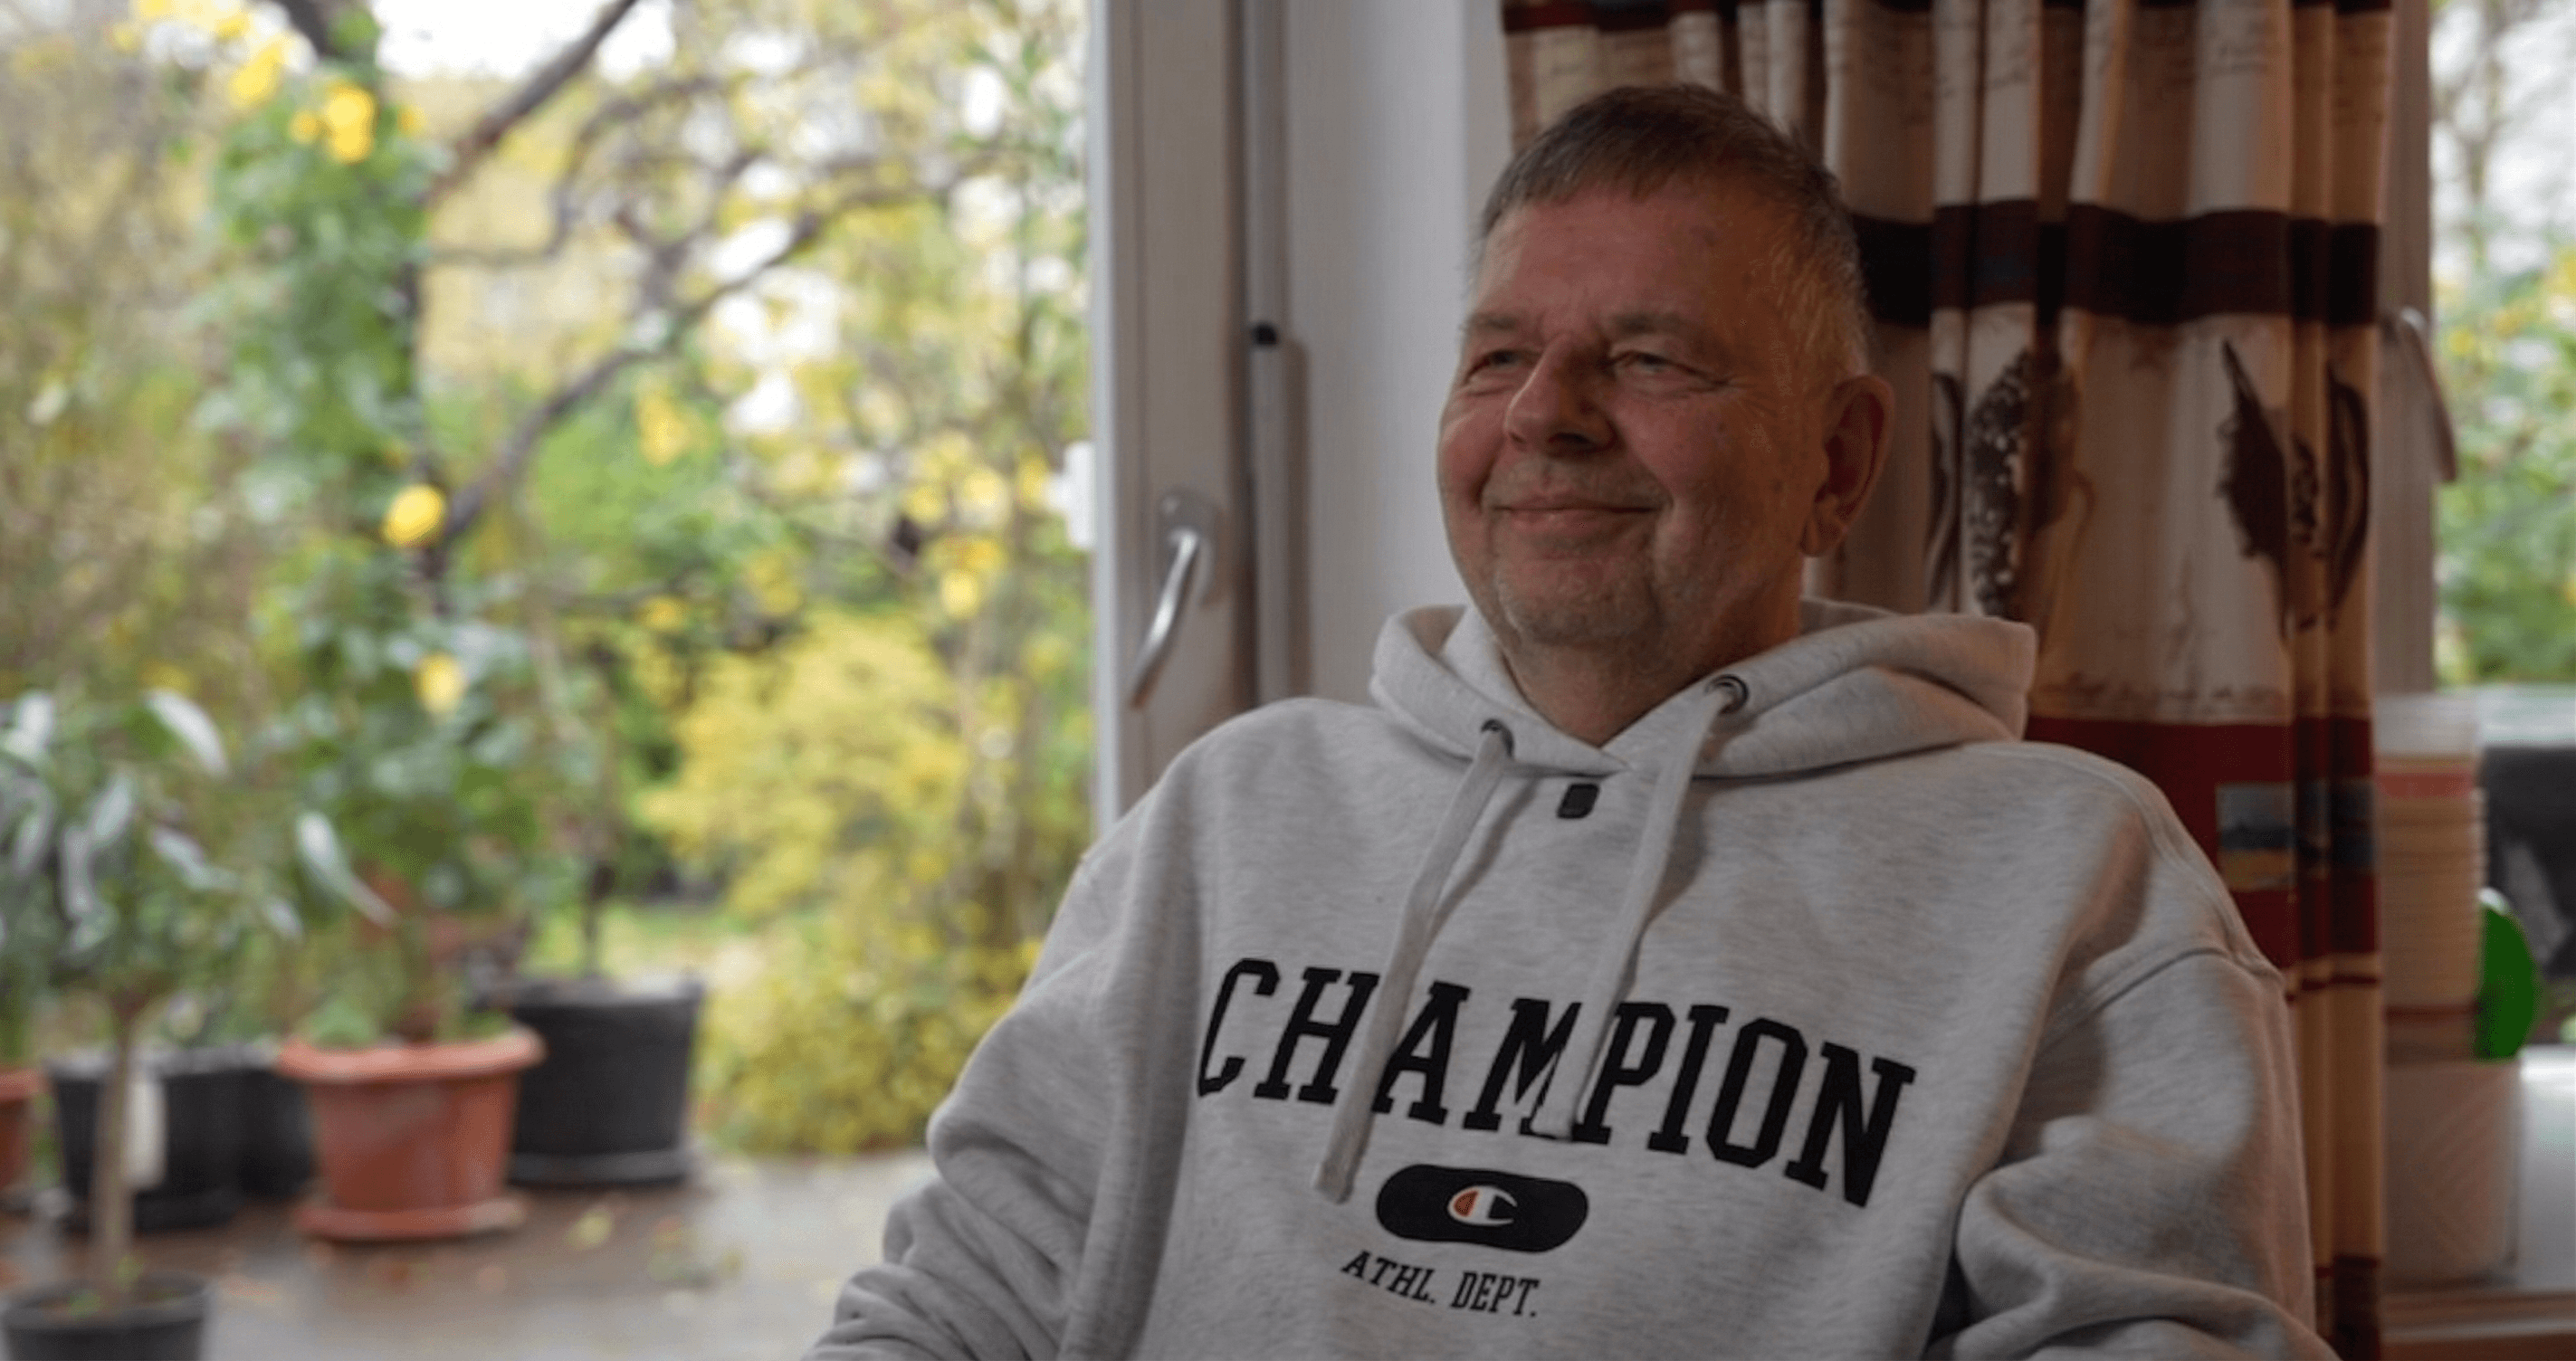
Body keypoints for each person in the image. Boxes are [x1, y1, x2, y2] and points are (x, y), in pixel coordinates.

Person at [808, 83, 2329, 1359]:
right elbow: (956, 1301)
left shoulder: (2074, 875)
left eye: (1649, 358)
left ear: (1836, 463)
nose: (1545, 413)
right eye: (1496, 358)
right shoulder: (1225, 818)